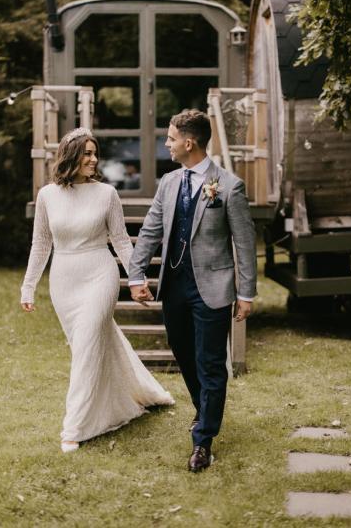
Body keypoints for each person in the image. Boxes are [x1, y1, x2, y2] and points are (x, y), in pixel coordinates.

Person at [21, 127, 174, 453]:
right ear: (71, 156)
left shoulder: (106, 194)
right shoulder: (48, 195)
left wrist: (136, 279)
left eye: (95, 153)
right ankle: (135, 395)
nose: (94, 159)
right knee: (88, 348)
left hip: (99, 276)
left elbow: (120, 239)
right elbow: (41, 243)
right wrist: (28, 286)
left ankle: (73, 428)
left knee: (89, 344)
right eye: (87, 153)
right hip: (64, 281)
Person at [129, 109, 257, 472]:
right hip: (175, 287)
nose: (166, 144)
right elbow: (151, 231)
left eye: (170, 138)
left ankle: (203, 440)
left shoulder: (229, 186)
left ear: (189, 142)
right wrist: (137, 275)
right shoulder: (169, 183)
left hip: (213, 287)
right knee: (183, 353)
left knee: (211, 363)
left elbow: (245, 245)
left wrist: (246, 293)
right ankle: (204, 408)